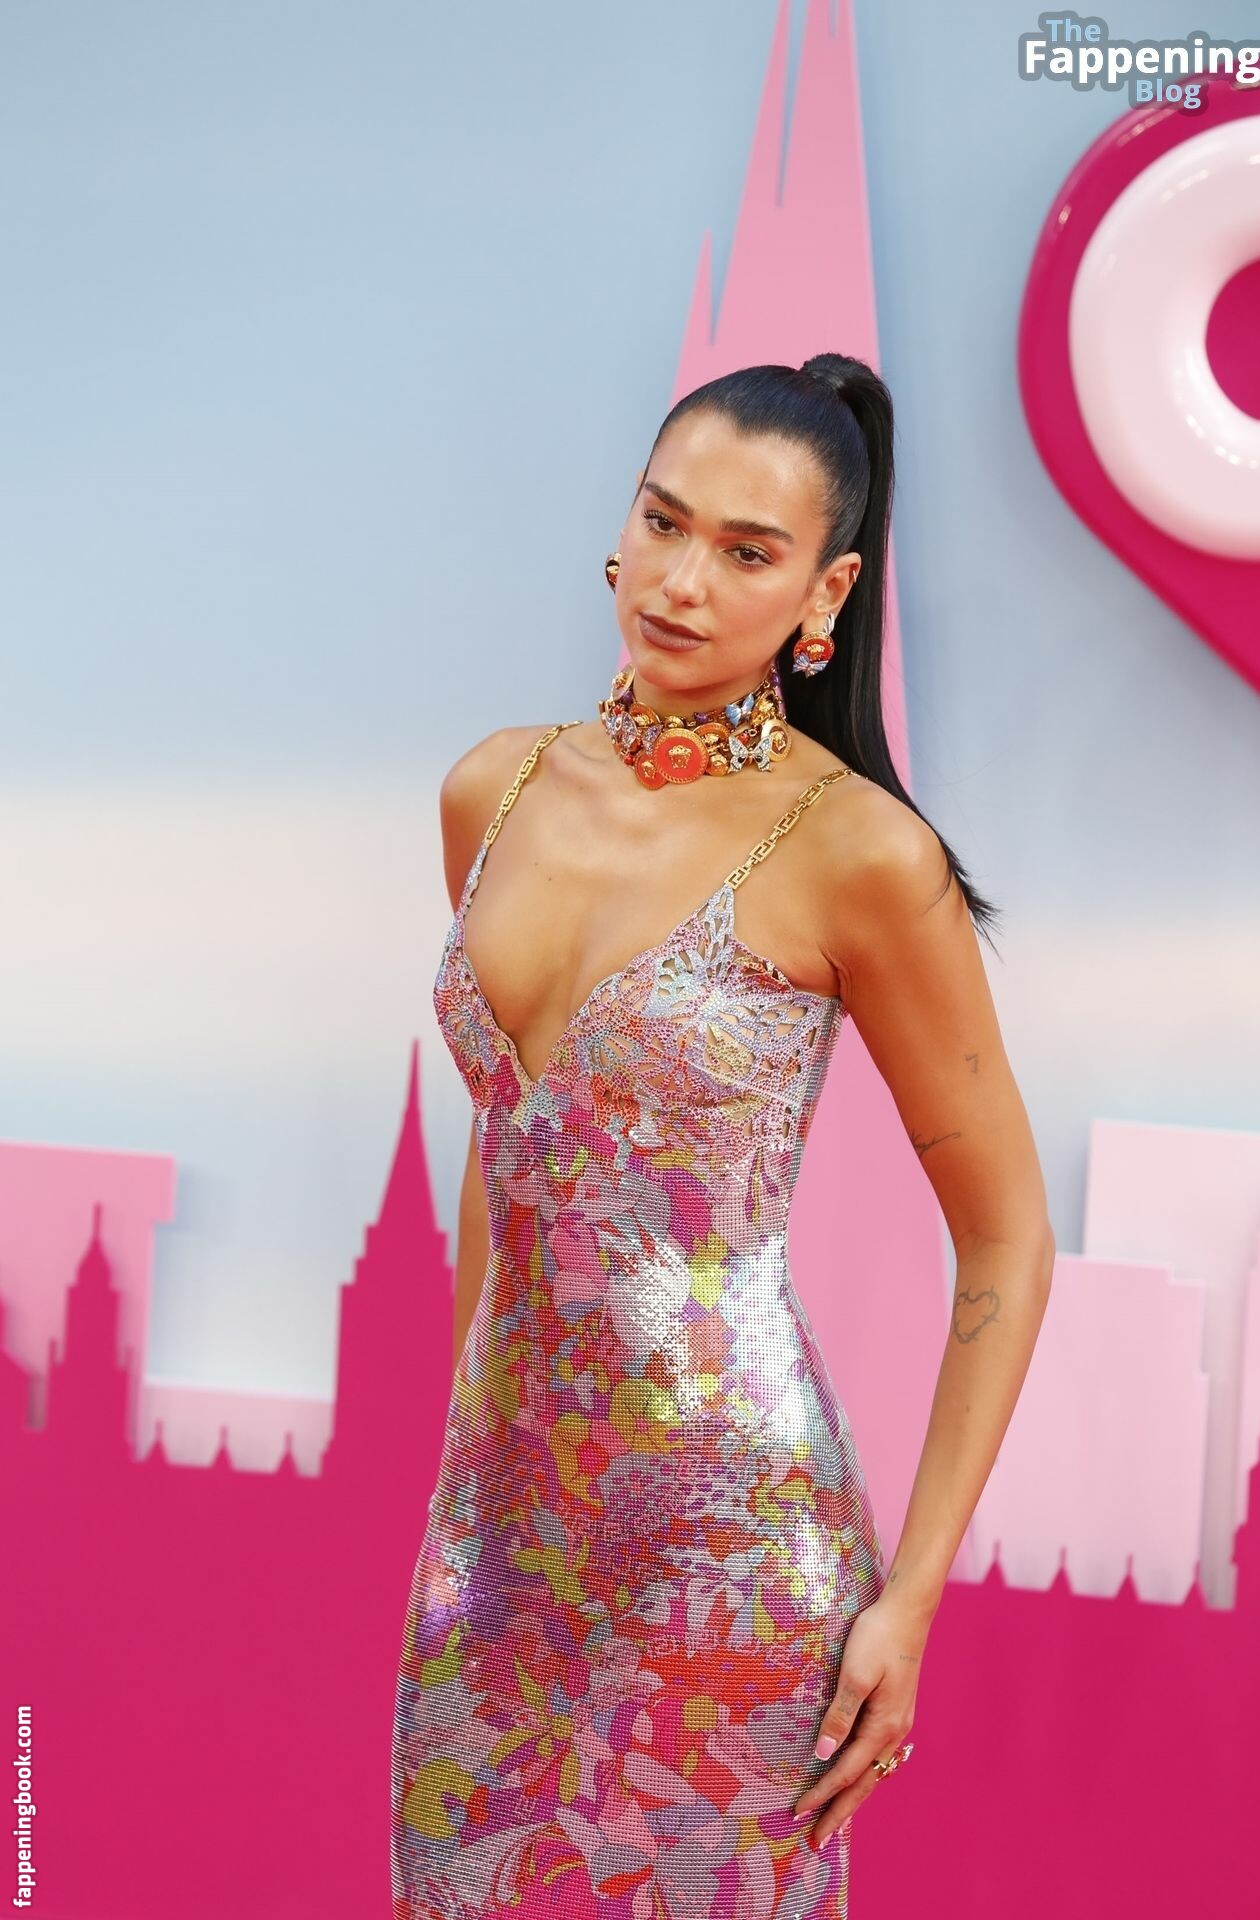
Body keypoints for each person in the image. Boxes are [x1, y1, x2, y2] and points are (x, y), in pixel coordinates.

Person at [391, 353, 1055, 1919]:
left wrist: (909, 1600)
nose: (682, 583)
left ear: (826, 595)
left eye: (747, 552)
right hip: (496, 1550)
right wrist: (464, 1456)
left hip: (735, 1570)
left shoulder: (862, 856)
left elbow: (1008, 1237)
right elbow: (509, 1149)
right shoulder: (492, 791)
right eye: (664, 522)